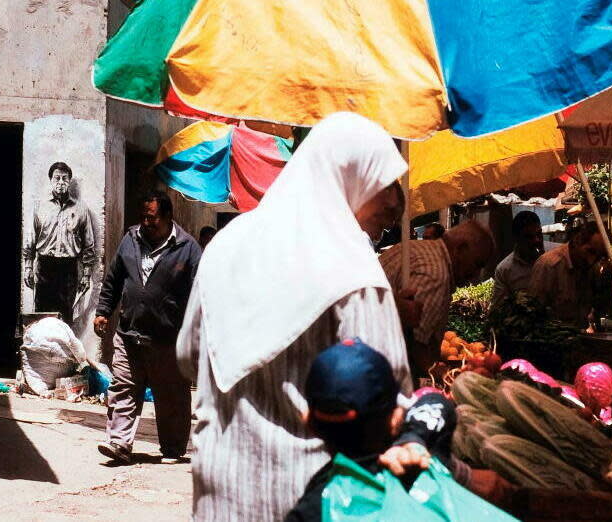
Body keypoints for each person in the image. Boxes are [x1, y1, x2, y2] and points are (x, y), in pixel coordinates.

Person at [177, 112, 416, 521]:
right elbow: (389, 399)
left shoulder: (226, 243)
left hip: (222, 494)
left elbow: (187, 356)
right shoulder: (354, 270)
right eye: (384, 182)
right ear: (347, 175)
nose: (395, 201)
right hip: (314, 500)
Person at [286, 340, 513, 521]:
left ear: (310, 424)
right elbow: (436, 401)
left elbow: (435, 400)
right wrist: (414, 438)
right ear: (395, 418)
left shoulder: (313, 508)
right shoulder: (423, 462)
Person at [94, 192, 203, 464]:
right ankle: (118, 443)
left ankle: (173, 448)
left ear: (168, 217)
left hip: (168, 339)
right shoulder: (130, 239)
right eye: (143, 217)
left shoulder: (188, 249)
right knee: (123, 387)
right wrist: (103, 311)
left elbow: (202, 294)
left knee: (171, 396)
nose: (146, 222)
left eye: (152, 218)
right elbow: (114, 278)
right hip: (129, 333)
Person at [379, 221, 496, 378]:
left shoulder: (419, 249)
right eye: (477, 264)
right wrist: (436, 371)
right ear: (460, 248)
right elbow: (415, 342)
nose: (476, 275)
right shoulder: (436, 274)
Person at [25, 161, 97, 326]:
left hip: (68, 269)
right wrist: (28, 267)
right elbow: (30, 239)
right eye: (57, 178)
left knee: (65, 316)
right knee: (42, 317)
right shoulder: (39, 207)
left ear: (69, 181)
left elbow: (89, 245)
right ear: (51, 180)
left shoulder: (81, 209)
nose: (61, 182)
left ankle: (63, 351)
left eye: (65, 178)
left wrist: (86, 274)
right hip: (44, 266)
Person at [529, 220, 608, 330]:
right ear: (577, 241)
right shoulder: (549, 266)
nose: (592, 261)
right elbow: (532, 314)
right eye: (590, 251)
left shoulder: (592, 269)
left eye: (599, 257)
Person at [492, 211, 543, 306]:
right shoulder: (504, 270)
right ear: (516, 239)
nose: (537, 240)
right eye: (529, 237)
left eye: (539, 234)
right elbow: (498, 309)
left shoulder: (555, 256)